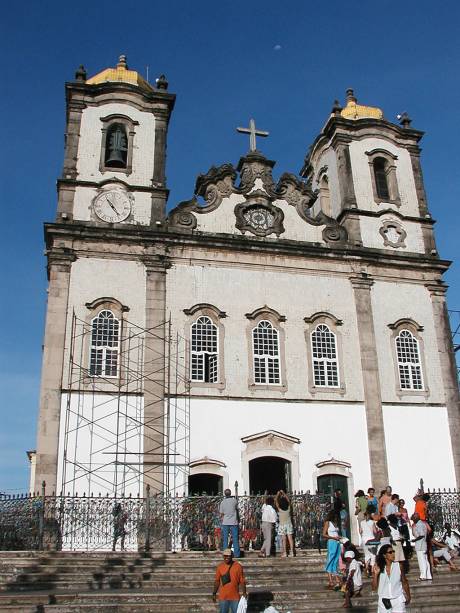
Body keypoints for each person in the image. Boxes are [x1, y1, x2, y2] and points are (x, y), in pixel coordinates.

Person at [372, 543, 411, 613]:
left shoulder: (399, 566)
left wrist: (408, 595)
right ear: (384, 555)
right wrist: (375, 575)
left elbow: (404, 581)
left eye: (393, 551)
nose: (393, 554)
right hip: (383, 601)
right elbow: (374, 588)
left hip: (398, 599)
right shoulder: (378, 568)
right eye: (390, 552)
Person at [212, 549, 247, 613]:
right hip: (223, 597)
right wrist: (214, 593)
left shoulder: (238, 566)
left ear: (232, 556)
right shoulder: (220, 567)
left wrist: (244, 593)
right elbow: (217, 581)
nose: (226, 557)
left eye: (228, 556)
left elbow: (242, 581)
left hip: (235, 597)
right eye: (225, 556)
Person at [322, 510, 342, 589]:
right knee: (330, 560)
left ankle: (336, 579)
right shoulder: (328, 523)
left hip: (337, 542)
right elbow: (324, 534)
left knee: (335, 561)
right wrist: (333, 537)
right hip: (331, 542)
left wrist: (339, 537)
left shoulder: (335, 523)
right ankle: (330, 580)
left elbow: (336, 533)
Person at [219, 489, 241, 558]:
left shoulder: (222, 502)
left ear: (225, 494)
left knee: (225, 538)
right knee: (235, 538)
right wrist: (238, 519)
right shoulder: (234, 501)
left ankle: (226, 554)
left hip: (225, 522)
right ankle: (237, 554)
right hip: (234, 521)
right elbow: (237, 510)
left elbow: (221, 513)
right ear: (230, 493)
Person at [411, 512, 432, 580]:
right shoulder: (423, 524)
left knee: (422, 561)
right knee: (425, 560)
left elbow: (421, 535)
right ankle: (428, 575)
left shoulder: (419, 524)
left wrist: (414, 540)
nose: (413, 520)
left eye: (413, 518)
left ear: (416, 518)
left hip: (420, 545)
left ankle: (423, 576)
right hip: (423, 545)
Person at [275, 490, 294, 557]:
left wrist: (278, 494)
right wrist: (284, 493)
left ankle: (285, 553)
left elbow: (276, 501)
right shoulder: (288, 508)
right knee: (290, 539)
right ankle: (292, 552)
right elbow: (288, 501)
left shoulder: (279, 509)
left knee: (284, 540)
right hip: (289, 524)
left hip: (282, 525)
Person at [360, 509, 378, 576]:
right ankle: (372, 570)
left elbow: (360, 531)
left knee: (367, 555)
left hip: (364, 539)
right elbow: (375, 531)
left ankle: (367, 568)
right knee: (373, 555)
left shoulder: (361, 522)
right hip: (371, 539)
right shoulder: (372, 522)